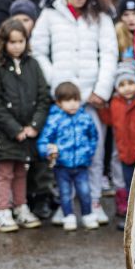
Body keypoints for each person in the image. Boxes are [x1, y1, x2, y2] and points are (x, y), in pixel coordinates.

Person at [31, 0, 118, 226]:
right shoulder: (50, 13)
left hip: (92, 97)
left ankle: (94, 202)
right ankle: (65, 205)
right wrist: (56, 83)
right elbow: (38, 51)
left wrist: (101, 90)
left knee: (94, 152)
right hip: (62, 98)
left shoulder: (101, 14)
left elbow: (109, 53)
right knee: (61, 153)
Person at [0, 19, 51, 232]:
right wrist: (15, 129)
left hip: (28, 130)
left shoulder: (33, 64)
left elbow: (43, 97)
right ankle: (3, 210)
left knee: (22, 170)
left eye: (20, 41)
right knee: (5, 172)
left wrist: (34, 125)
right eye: (12, 42)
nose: (16, 46)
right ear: (3, 42)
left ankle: (21, 207)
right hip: (4, 131)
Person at [37, 82, 100, 231]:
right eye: (67, 100)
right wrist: (48, 152)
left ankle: (87, 215)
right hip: (61, 166)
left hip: (81, 165)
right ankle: (68, 216)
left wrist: (89, 152)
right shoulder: (54, 120)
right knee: (65, 193)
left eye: (75, 100)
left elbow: (93, 136)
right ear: (59, 103)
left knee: (85, 192)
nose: (72, 104)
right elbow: (44, 141)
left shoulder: (85, 117)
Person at [103, 62, 135, 228]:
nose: (127, 88)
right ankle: (131, 219)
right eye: (122, 85)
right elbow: (109, 120)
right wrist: (100, 108)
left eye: (130, 83)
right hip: (124, 155)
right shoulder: (115, 103)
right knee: (129, 186)